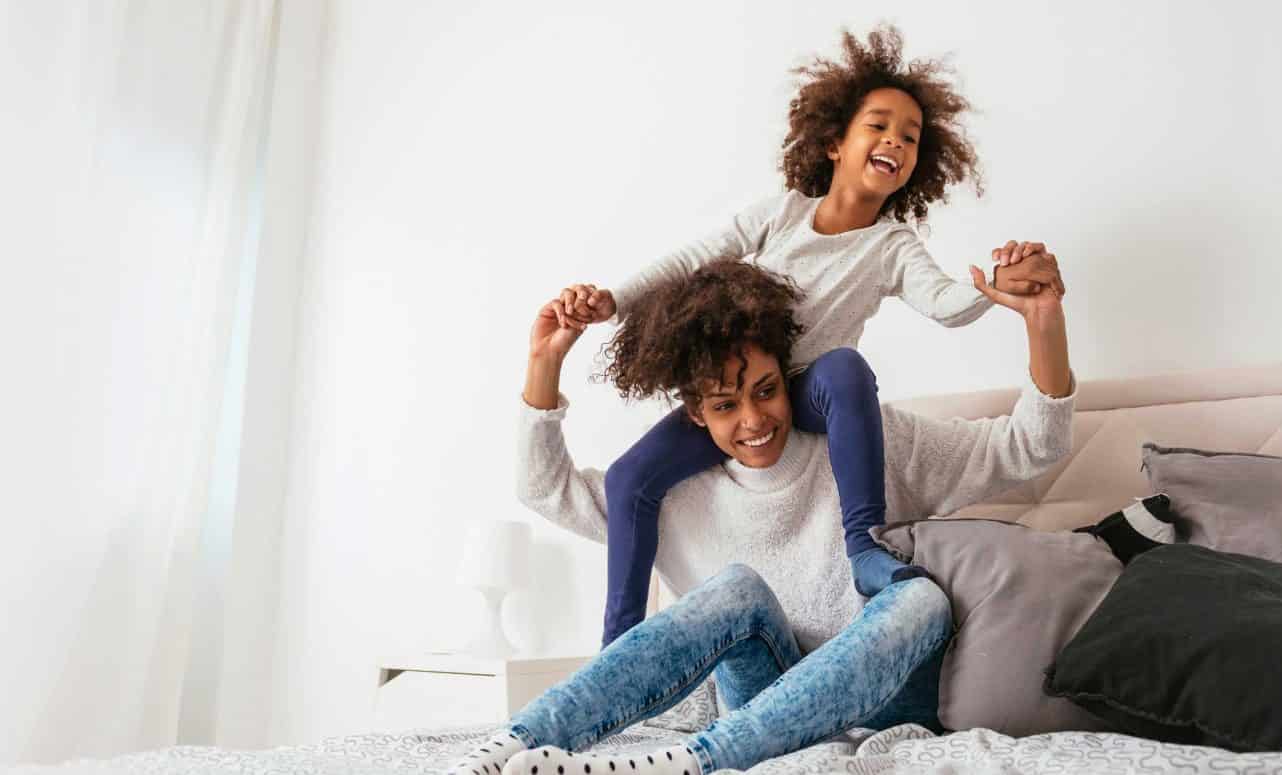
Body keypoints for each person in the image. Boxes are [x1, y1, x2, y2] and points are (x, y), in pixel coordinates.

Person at [543, 23, 1062, 650]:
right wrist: (612, 300)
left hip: (809, 394)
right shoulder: (780, 214)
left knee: (845, 369)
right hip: (747, 389)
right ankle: (619, 644)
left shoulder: (892, 245)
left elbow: (945, 302)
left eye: (911, 136)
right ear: (835, 142)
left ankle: (864, 546)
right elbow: (690, 261)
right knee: (629, 478)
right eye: (879, 125)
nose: (895, 141)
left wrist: (990, 286)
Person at [447, 257, 1074, 775]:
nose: (753, 421)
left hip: (890, 699)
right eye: (725, 405)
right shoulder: (674, 494)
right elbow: (545, 489)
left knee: (922, 601)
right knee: (737, 588)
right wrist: (544, 364)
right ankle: (507, 748)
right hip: (761, 702)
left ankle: (692, 762)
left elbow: (1028, 447)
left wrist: (1044, 322)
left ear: (788, 377)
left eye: (766, 391)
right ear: (694, 413)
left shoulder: (870, 442)